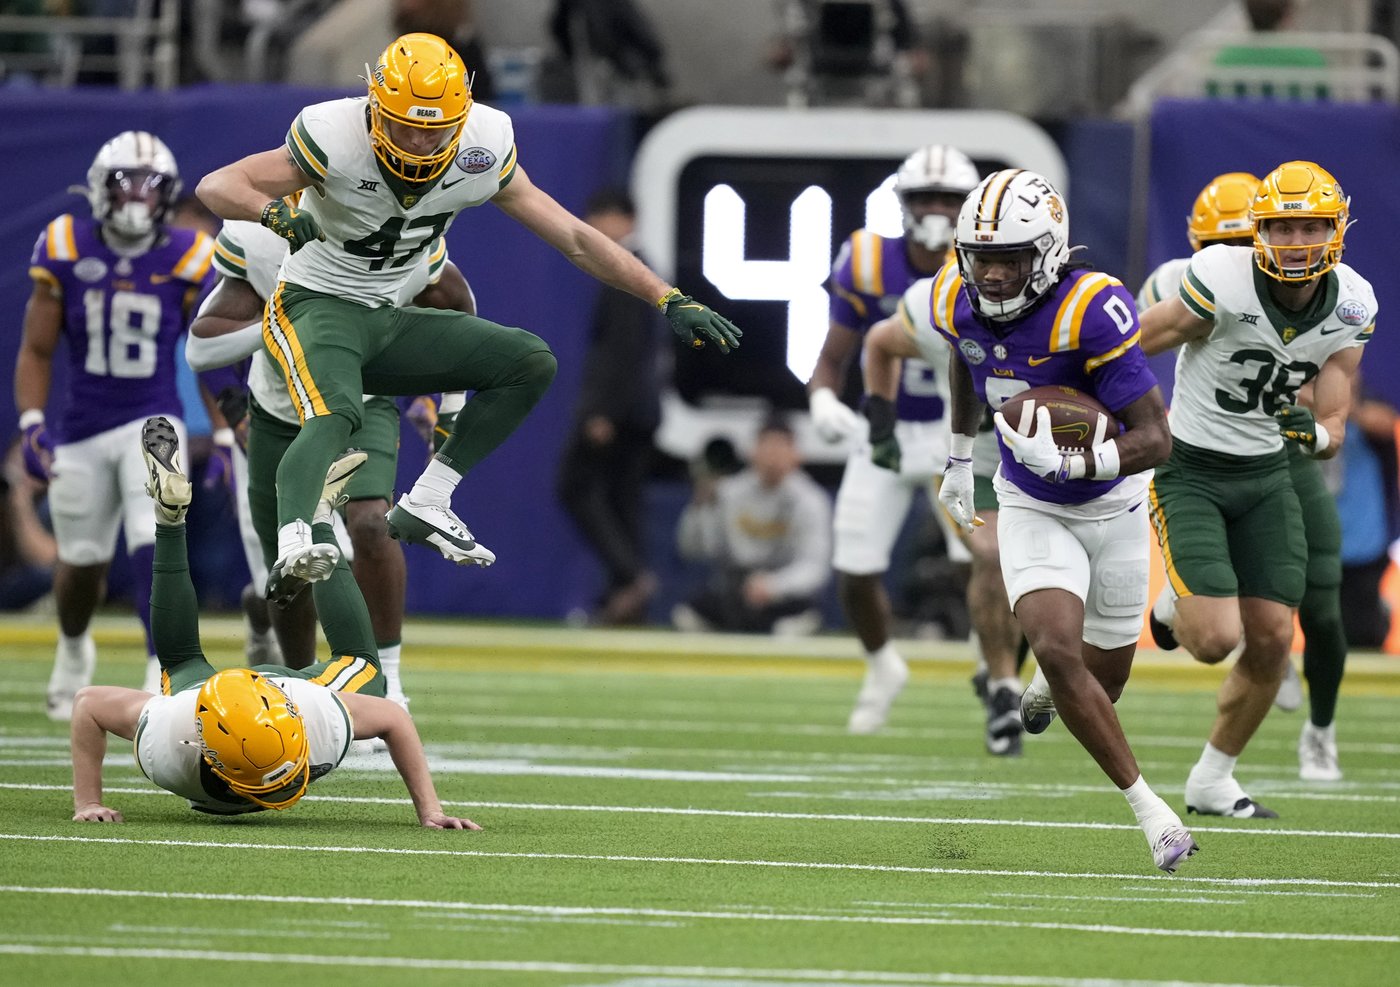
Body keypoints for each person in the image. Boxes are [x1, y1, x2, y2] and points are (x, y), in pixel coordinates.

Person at [196, 32, 740, 599]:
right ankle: (294, 545)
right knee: (334, 415)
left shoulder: (483, 143)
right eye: (406, 124)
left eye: (434, 128)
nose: (420, 142)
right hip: (319, 305)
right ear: (375, 109)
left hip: (388, 314)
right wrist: (273, 214)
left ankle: (430, 499)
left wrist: (665, 295)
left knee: (529, 362)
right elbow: (217, 185)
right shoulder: (334, 135)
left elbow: (576, 237)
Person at [917, 168, 1195, 874]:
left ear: (1045, 251)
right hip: (1030, 502)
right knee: (1055, 644)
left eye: (1010, 258)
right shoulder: (954, 295)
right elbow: (962, 354)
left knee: (1099, 681)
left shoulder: (1091, 309)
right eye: (983, 259)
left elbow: (1155, 438)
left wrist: (1079, 462)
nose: (995, 274)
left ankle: (1049, 684)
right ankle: (1152, 813)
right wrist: (957, 454)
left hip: (1117, 504)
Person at [69, 417, 479, 829]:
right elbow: (392, 717)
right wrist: (429, 810)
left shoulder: (168, 739)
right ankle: (310, 516)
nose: (285, 791)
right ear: (203, 750)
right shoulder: (169, 748)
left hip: (284, 700)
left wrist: (89, 801)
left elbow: (89, 703)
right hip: (236, 701)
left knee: (179, 663)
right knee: (361, 667)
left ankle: (174, 521)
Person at [1140, 161, 1372, 811]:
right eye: (1282, 228)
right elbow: (1136, 341)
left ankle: (1213, 777)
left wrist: (1316, 436)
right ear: (1257, 232)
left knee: (1272, 636)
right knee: (1215, 640)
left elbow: (1333, 422)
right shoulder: (1219, 276)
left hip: (1269, 473)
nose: (1296, 241)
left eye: (1309, 227)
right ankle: (1176, 608)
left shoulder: (1353, 302)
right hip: (1191, 468)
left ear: (1336, 231)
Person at [187, 205, 473, 706]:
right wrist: (279, 323)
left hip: (363, 402)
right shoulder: (259, 240)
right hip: (281, 408)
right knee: (292, 561)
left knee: (370, 524)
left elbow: (455, 306)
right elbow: (202, 347)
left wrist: (447, 404)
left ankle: (386, 683)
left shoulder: (396, 227)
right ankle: (301, 686)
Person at [15, 130, 215, 719]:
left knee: (155, 540)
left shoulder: (188, 252)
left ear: (168, 195)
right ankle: (74, 647)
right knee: (80, 563)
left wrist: (226, 429)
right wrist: (31, 421)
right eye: (125, 183)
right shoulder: (63, 244)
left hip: (153, 419)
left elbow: (205, 347)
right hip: (81, 423)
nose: (137, 198)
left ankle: (163, 668)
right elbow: (36, 349)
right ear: (100, 188)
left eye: (151, 187)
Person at [804, 144, 996, 741]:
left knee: (987, 565)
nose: (936, 209)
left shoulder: (992, 269)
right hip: (884, 432)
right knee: (854, 568)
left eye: (949, 199)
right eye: (925, 198)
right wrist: (822, 400)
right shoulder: (867, 261)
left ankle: (995, 669)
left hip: (959, 436)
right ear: (903, 205)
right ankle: (882, 665)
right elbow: (833, 357)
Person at [555, 188, 663, 625]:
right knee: (623, 501)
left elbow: (622, 349)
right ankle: (624, 596)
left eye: (598, 217)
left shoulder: (627, 267)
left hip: (619, 410)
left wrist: (602, 411)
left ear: (623, 218)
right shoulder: (645, 266)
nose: (593, 229)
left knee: (575, 486)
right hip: (640, 409)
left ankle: (630, 575)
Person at [674, 414, 832, 635]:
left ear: (796, 455)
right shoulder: (729, 492)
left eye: (781, 447)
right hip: (736, 590)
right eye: (767, 446)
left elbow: (815, 568)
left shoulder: (811, 500)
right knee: (687, 617)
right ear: (753, 451)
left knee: (795, 626)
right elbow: (693, 550)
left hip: (785, 597)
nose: (773, 456)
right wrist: (699, 508)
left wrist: (773, 586)